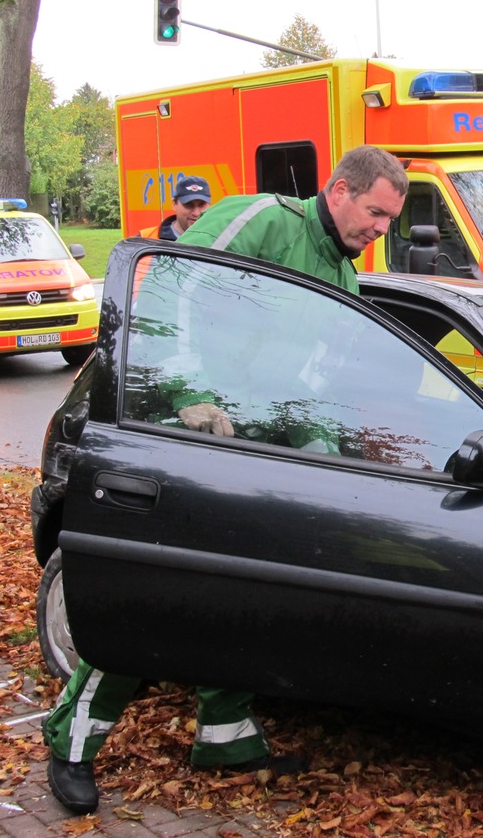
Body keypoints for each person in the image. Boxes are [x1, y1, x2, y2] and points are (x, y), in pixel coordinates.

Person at [42, 145, 410, 815]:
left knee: (246, 597)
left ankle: (225, 736)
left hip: (251, 458)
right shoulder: (265, 221)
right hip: (177, 438)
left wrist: (322, 449)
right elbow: (171, 286)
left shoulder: (345, 280)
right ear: (339, 191)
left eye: (389, 219)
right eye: (377, 213)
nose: (381, 230)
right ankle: (72, 740)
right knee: (151, 601)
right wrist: (186, 390)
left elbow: (315, 386)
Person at [141, 175, 212, 240]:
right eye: (188, 204)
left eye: (202, 205)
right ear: (174, 204)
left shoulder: (217, 240)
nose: (196, 213)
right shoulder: (146, 239)